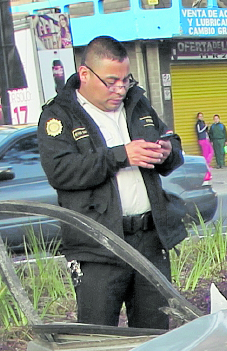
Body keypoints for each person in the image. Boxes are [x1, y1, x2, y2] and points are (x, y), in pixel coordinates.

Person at [36, 35, 185, 330]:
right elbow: (61, 171)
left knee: (154, 333)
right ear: (85, 75)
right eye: (111, 81)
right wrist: (121, 156)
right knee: (98, 333)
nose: (119, 89)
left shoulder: (137, 103)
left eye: (125, 80)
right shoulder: (60, 115)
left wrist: (168, 152)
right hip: (98, 244)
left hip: (148, 239)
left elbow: (171, 143)